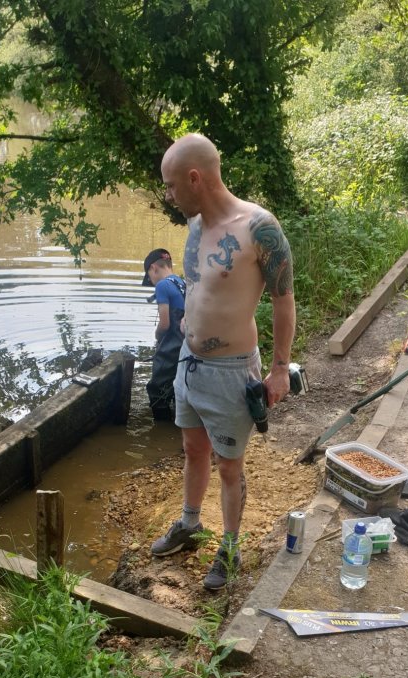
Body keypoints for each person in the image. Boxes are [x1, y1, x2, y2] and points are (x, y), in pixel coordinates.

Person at [151, 133, 296, 591]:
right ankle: (190, 523)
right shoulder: (195, 224)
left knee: (229, 466)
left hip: (232, 370)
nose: (169, 196)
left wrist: (279, 369)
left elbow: (284, 301)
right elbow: (200, 285)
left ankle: (230, 546)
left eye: (172, 186)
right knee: (193, 449)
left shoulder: (259, 228)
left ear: (195, 178)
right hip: (188, 362)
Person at [142, 248, 186, 420]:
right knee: (177, 386)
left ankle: (160, 428)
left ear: (153, 268)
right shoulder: (182, 283)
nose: (152, 282)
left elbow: (165, 324)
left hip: (172, 347)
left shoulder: (162, 285)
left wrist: (157, 335)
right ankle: (178, 425)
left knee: (157, 389)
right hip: (186, 346)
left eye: (149, 277)